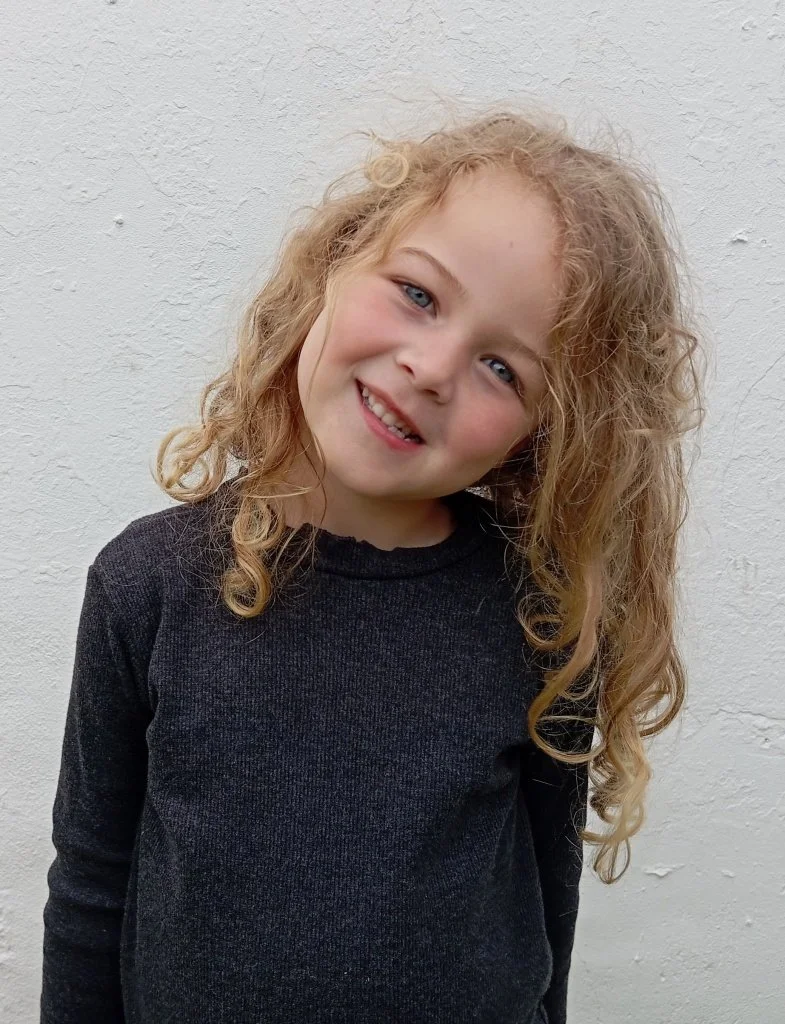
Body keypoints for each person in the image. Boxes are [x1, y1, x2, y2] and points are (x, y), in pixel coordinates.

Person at [40, 102, 705, 1024]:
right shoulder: (146, 585)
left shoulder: (542, 619)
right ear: (335, 261)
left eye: (503, 368)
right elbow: (90, 886)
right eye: (418, 294)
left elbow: (547, 910)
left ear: (544, 436)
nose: (431, 367)